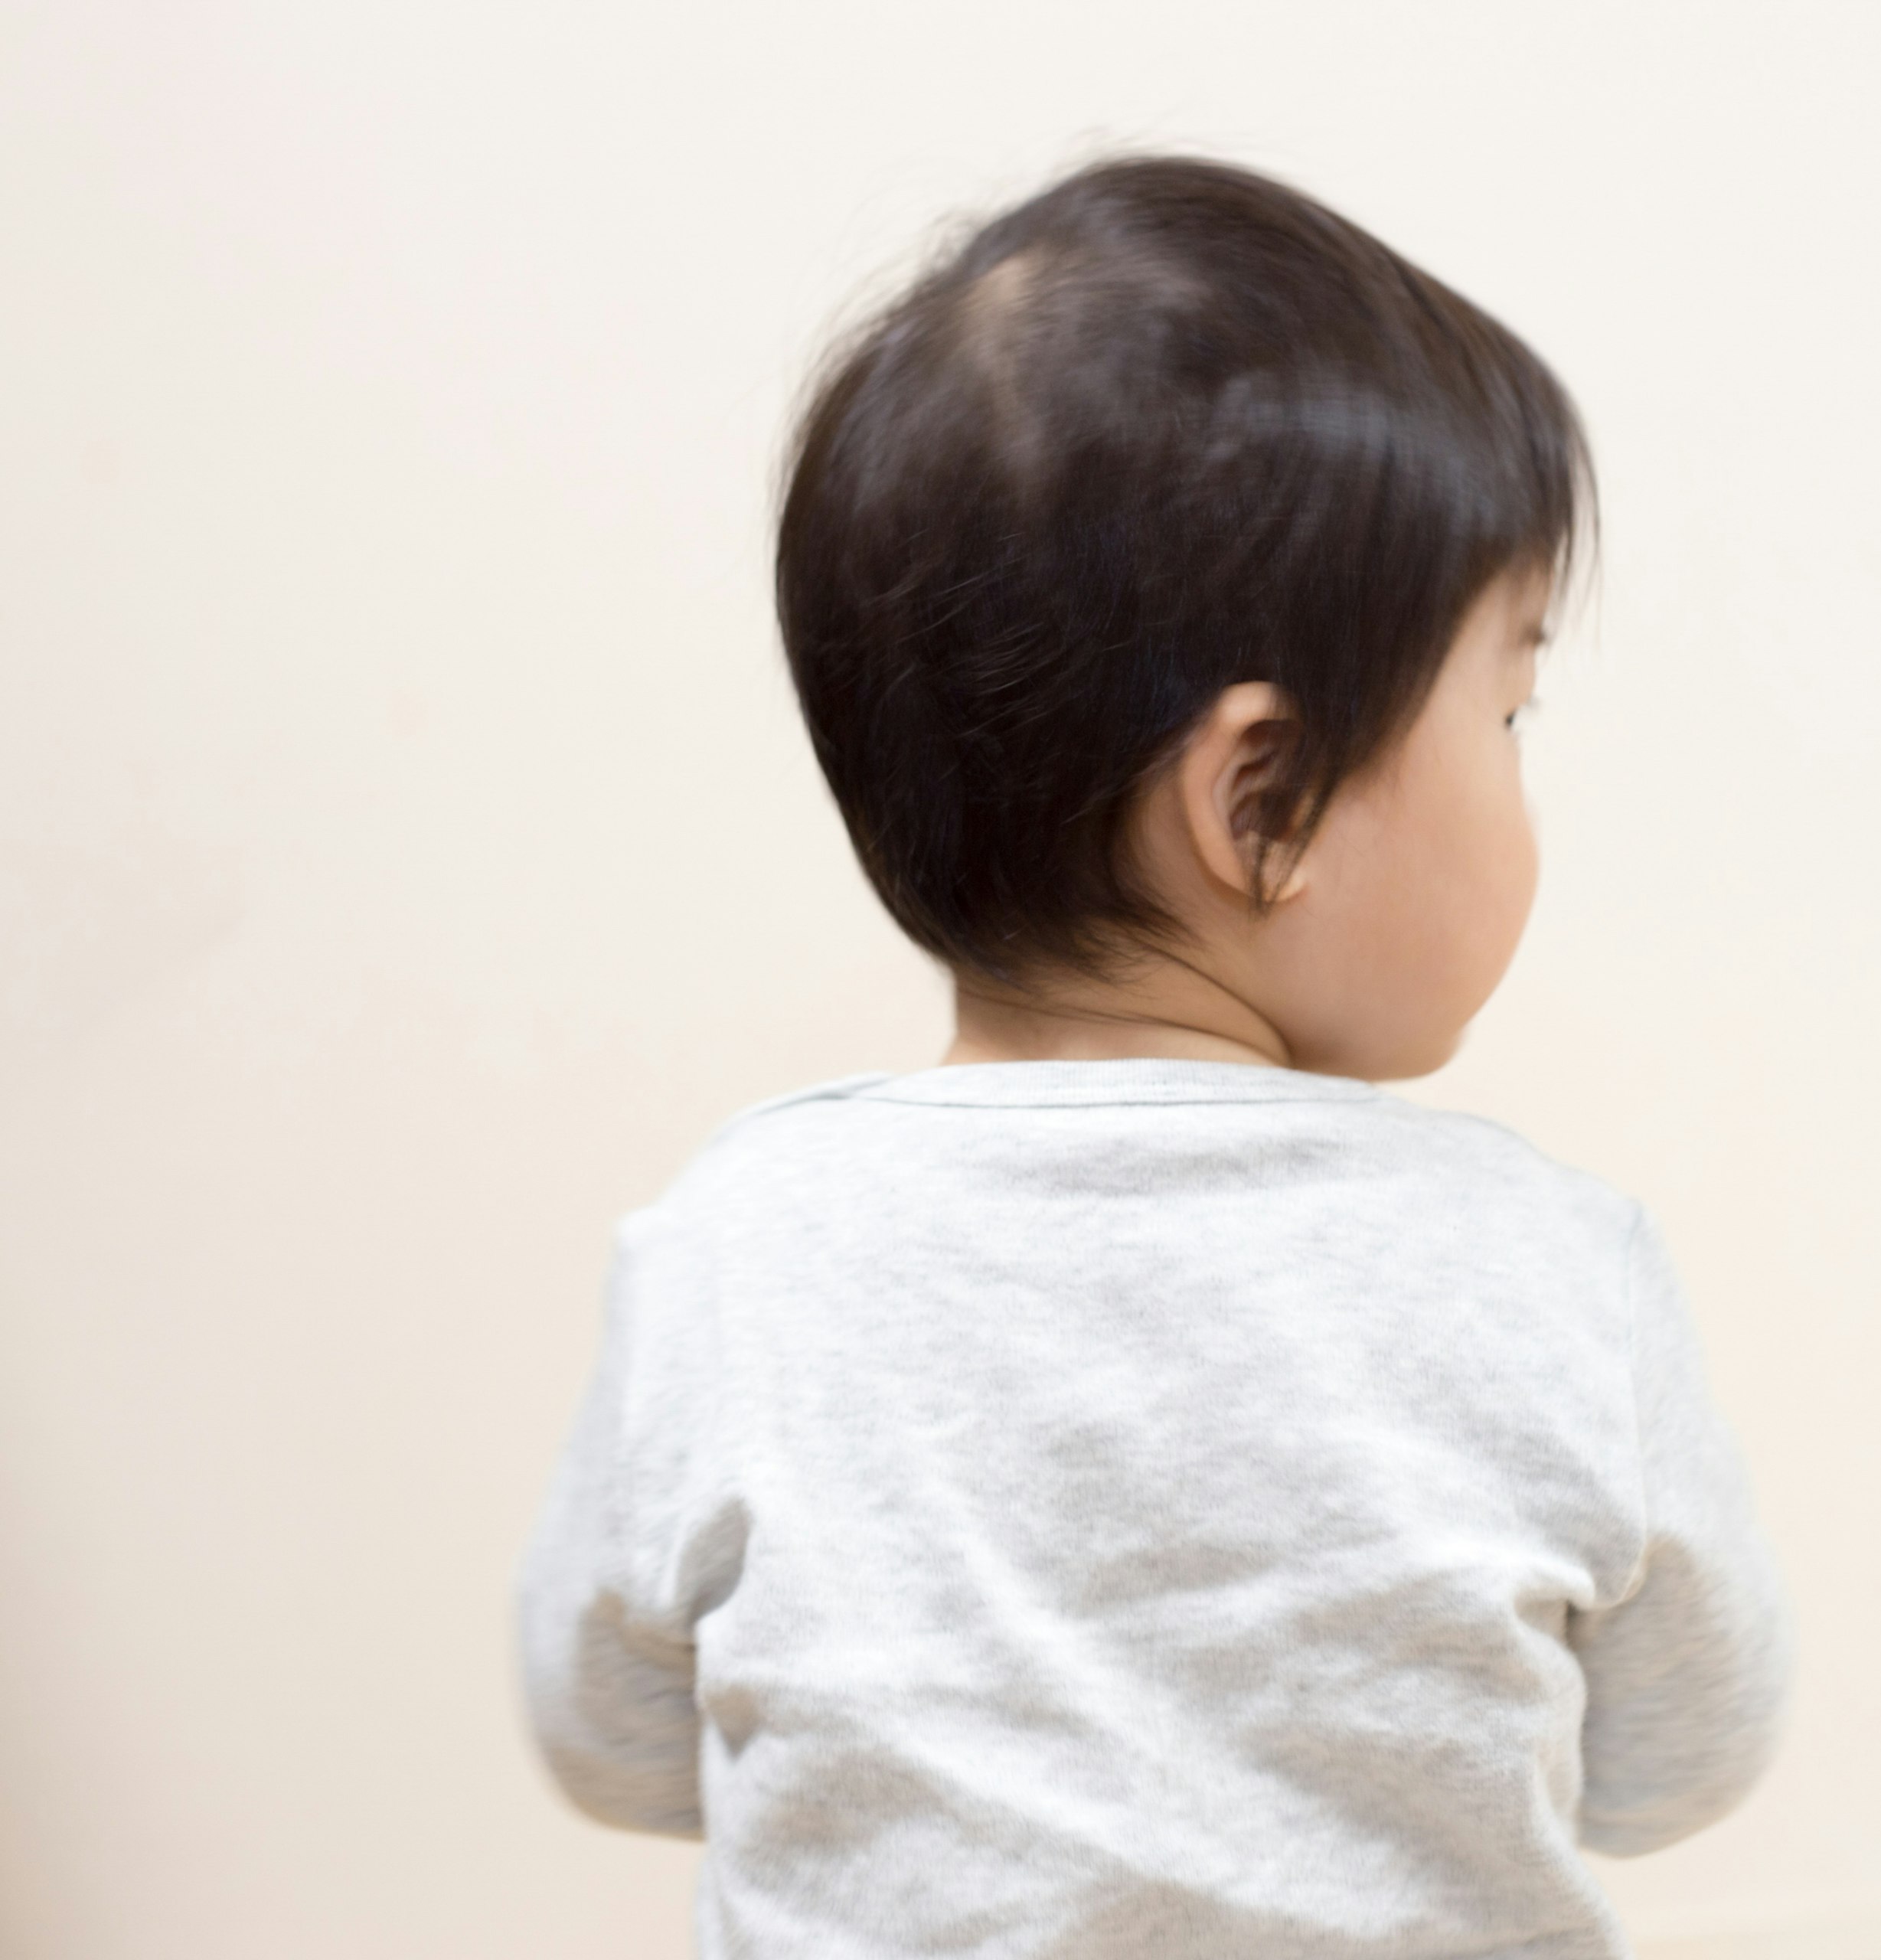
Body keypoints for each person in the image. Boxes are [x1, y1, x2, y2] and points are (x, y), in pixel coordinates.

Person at [517, 155, 1790, 1959]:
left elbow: (614, 1733)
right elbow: (1678, 1753)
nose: (1522, 770)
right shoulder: (1555, 1270)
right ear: (1259, 799)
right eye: (1504, 707)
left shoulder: (736, 1246)